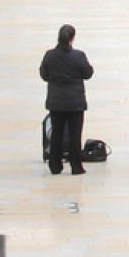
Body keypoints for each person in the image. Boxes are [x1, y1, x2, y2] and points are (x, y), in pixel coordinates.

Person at [40, 24, 95, 175]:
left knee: (57, 133)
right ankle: (76, 166)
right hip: (75, 102)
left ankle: (55, 165)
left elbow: (44, 75)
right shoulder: (78, 56)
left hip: (56, 102)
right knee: (75, 134)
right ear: (72, 38)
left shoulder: (49, 55)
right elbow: (87, 74)